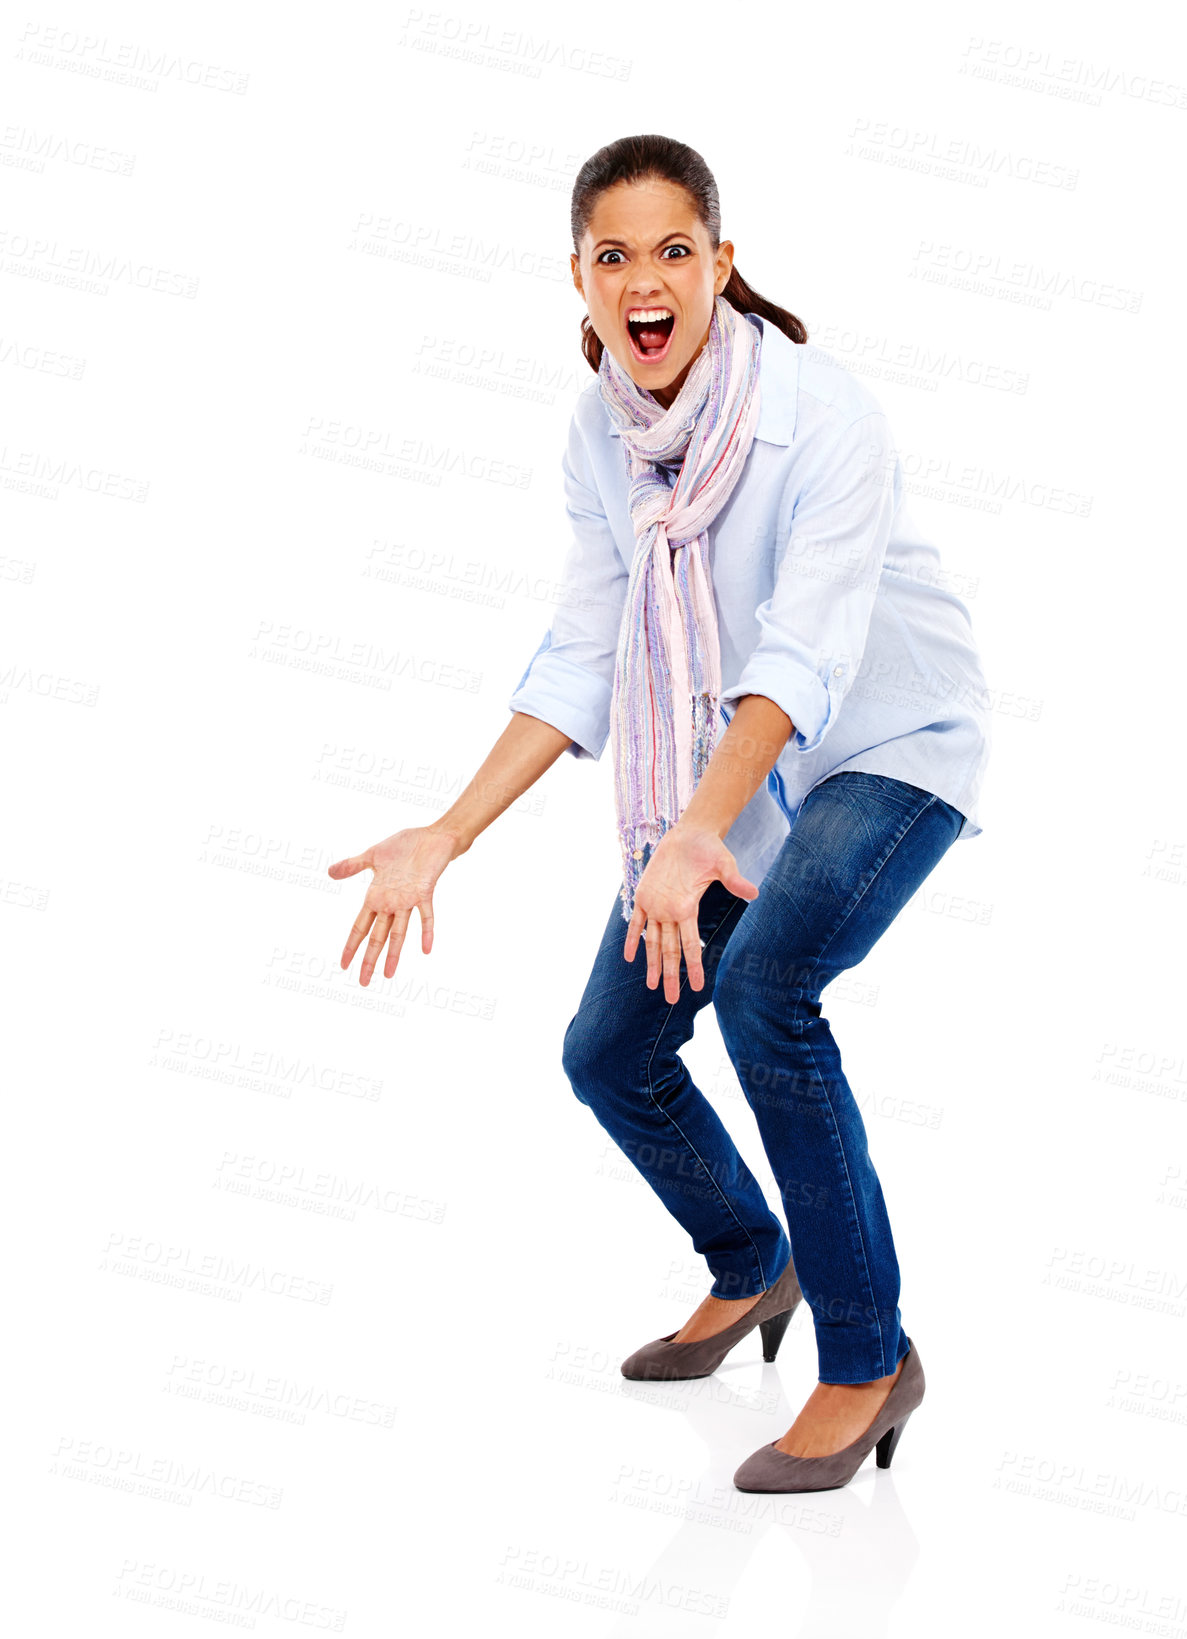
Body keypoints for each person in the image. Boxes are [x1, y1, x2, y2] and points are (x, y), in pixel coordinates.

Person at [328, 134, 990, 1495]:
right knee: (608, 1048)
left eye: (673, 251)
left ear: (723, 265)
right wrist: (448, 832)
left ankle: (868, 1357)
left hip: (886, 746)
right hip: (721, 789)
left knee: (764, 993)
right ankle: (757, 1265)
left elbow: (803, 654)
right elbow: (587, 647)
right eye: (613, 255)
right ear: (579, 280)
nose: (646, 280)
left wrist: (699, 835)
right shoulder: (601, 434)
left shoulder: (825, 413)